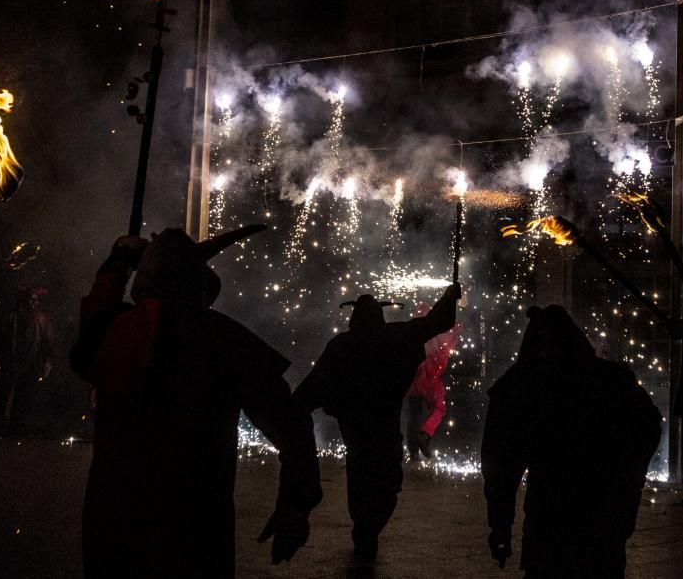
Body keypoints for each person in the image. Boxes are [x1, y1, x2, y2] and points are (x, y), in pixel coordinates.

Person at [72, 227, 322, 578]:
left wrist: (119, 260)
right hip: (195, 523)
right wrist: (297, 503)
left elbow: (95, 312)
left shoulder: (113, 331)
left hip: (115, 520)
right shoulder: (226, 339)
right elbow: (292, 425)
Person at [481, 305, 661, 578]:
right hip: (602, 519)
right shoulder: (614, 380)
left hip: (549, 518)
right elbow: (647, 431)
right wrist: (625, 490)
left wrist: (500, 525)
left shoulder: (522, 386)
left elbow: (500, 468)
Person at [294, 284, 461, 561]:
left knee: (360, 483)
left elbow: (308, 392)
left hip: (357, 434)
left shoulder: (341, 346)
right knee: (387, 484)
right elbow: (439, 322)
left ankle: (365, 529)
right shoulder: (395, 338)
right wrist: (449, 296)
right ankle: (368, 530)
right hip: (384, 432)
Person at [0, 285, 55, 438]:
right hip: (10, 362)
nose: (34, 303)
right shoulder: (11, 318)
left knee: (23, 399)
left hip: (30, 364)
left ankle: (15, 431)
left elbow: (47, 343)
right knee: (3, 398)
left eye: (36, 301)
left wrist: (47, 361)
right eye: (31, 300)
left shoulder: (41, 321)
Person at [404, 305, 460, 462]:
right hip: (429, 379)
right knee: (440, 407)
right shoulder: (434, 331)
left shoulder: (412, 330)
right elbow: (449, 340)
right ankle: (424, 434)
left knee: (413, 415)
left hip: (413, 378)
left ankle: (414, 451)